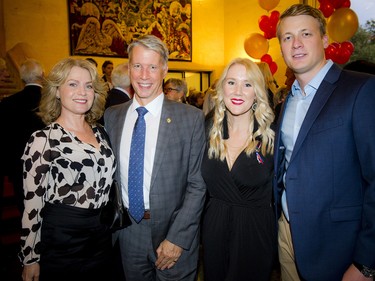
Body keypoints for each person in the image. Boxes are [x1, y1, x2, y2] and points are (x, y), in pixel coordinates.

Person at [274, 4, 375, 281]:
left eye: (305, 34)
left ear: (325, 40)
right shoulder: (288, 99)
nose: (296, 44)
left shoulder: (360, 90)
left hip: (337, 246)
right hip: (287, 235)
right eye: (287, 37)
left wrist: (367, 262)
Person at [104, 34, 206, 281]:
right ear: (129, 68)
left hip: (173, 232)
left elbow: (198, 184)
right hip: (128, 231)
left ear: (165, 69)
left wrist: (177, 238)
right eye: (137, 66)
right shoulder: (112, 116)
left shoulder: (190, 118)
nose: (144, 75)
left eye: (152, 67)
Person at [18, 58, 116, 281]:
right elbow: (32, 205)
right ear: (57, 91)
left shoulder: (101, 133)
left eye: (88, 85)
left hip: (101, 237)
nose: (82, 92)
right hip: (62, 240)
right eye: (72, 84)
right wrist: (30, 258)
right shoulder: (43, 139)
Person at [201, 57, 276, 281]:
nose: (238, 91)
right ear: (222, 87)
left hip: (255, 232)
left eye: (247, 84)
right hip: (214, 229)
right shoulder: (208, 127)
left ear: (257, 93)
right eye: (231, 82)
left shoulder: (272, 134)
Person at [0, 58, 45, 214]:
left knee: (24, 211)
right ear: (42, 74)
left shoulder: (7, 103)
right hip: (46, 166)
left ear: (21, 77)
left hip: (17, 166)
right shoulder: (51, 101)